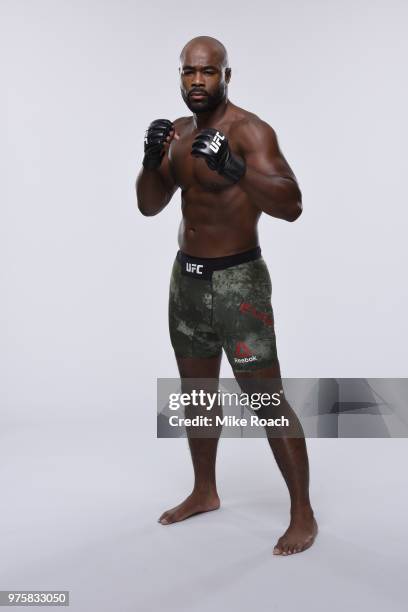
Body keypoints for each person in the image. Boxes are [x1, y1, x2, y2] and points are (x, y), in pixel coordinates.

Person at [136, 36, 318, 555]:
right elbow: (150, 207)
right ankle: (204, 490)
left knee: (265, 399)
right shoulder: (177, 134)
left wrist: (237, 170)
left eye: (208, 72)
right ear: (180, 75)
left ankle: (302, 513)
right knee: (198, 394)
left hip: (239, 282)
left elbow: (292, 204)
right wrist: (152, 161)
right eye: (189, 72)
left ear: (226, 76)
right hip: (186, 282)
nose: (197, 81)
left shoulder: (249, 131)